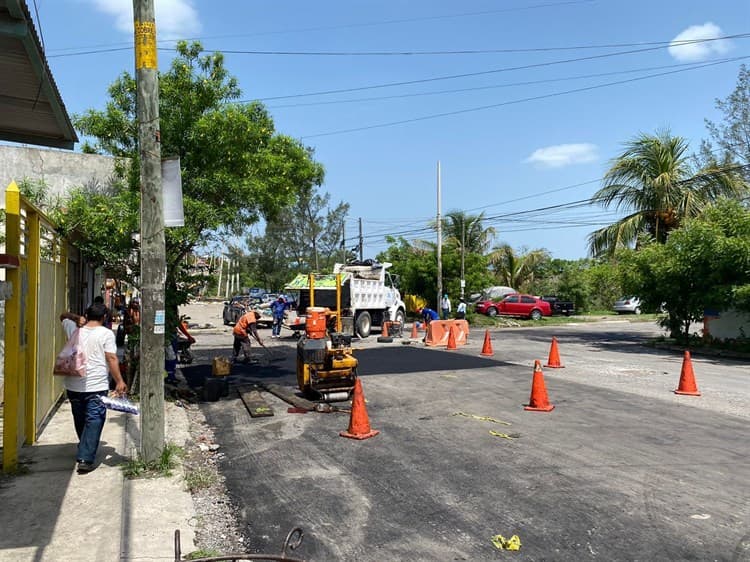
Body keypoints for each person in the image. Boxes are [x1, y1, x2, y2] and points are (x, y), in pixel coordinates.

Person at [59, 303, 127, 474]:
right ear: (104, 317)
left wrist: (77, 318)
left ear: (86, 315)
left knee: (80, 417)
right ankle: (85, 457)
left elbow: (63, 316)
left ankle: (85, 446)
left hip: (73, 383)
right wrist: (119, 381)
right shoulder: (105, 333)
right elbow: (111, 358)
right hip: (96, 384)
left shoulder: (74, 328)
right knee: (94, 418)